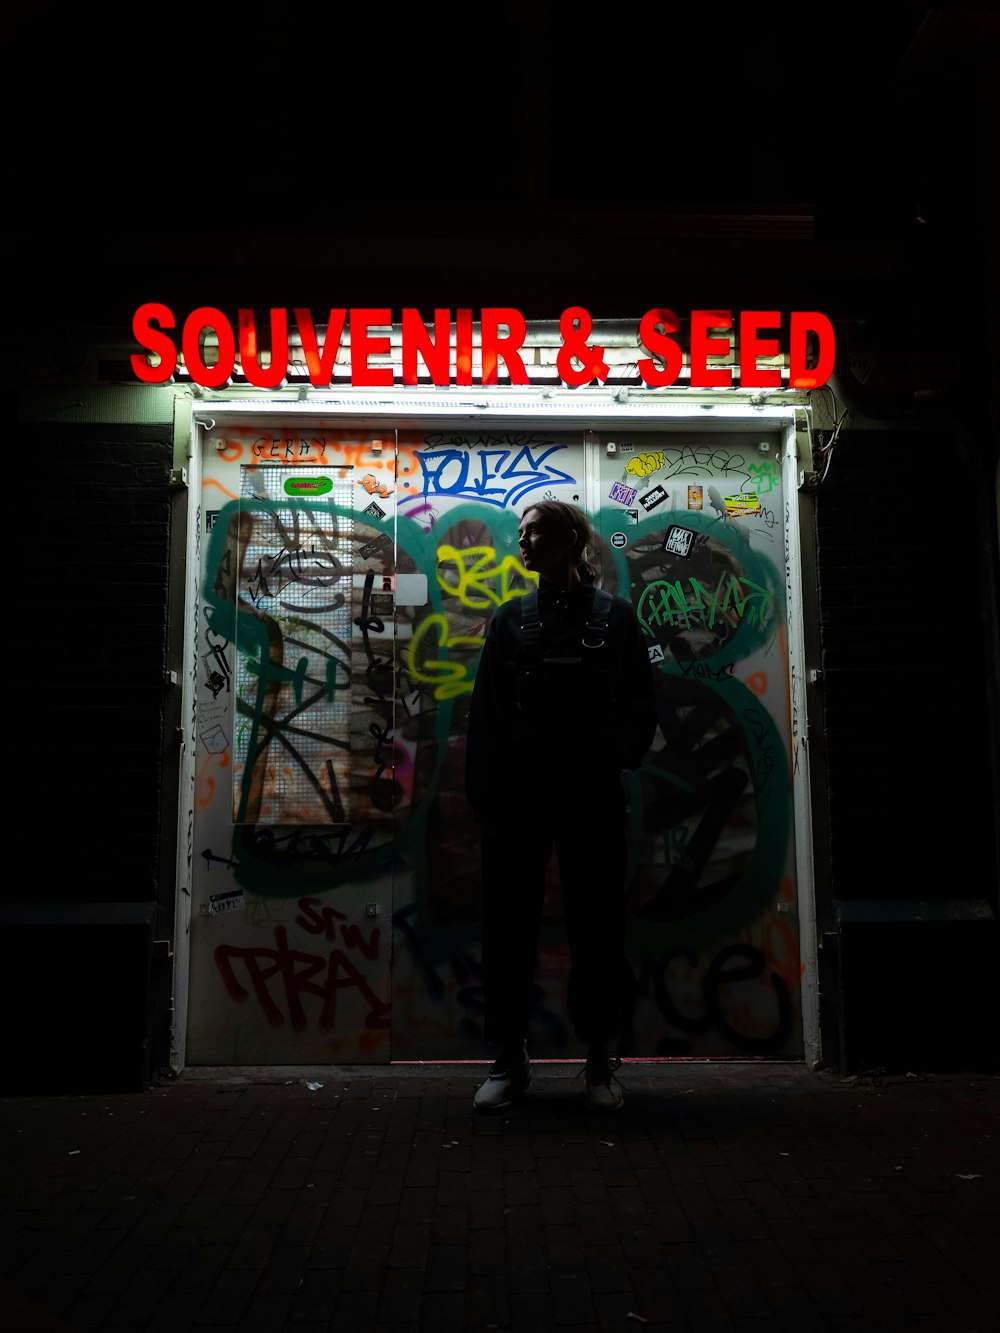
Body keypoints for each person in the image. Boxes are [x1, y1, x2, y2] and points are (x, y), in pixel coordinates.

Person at [465, 501, 658, 1112]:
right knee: (508, 925)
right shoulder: (510, 620)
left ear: (570, 539)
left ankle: (600, 1057)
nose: (523, 542)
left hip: (590, 793)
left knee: (598, 924)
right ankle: (508, 1057)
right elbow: (487, 718)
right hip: (520, 795)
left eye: (535, 531)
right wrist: (485, 796)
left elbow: (639, 705)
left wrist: (617, 752)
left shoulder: (616, 620)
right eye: (520, 533)